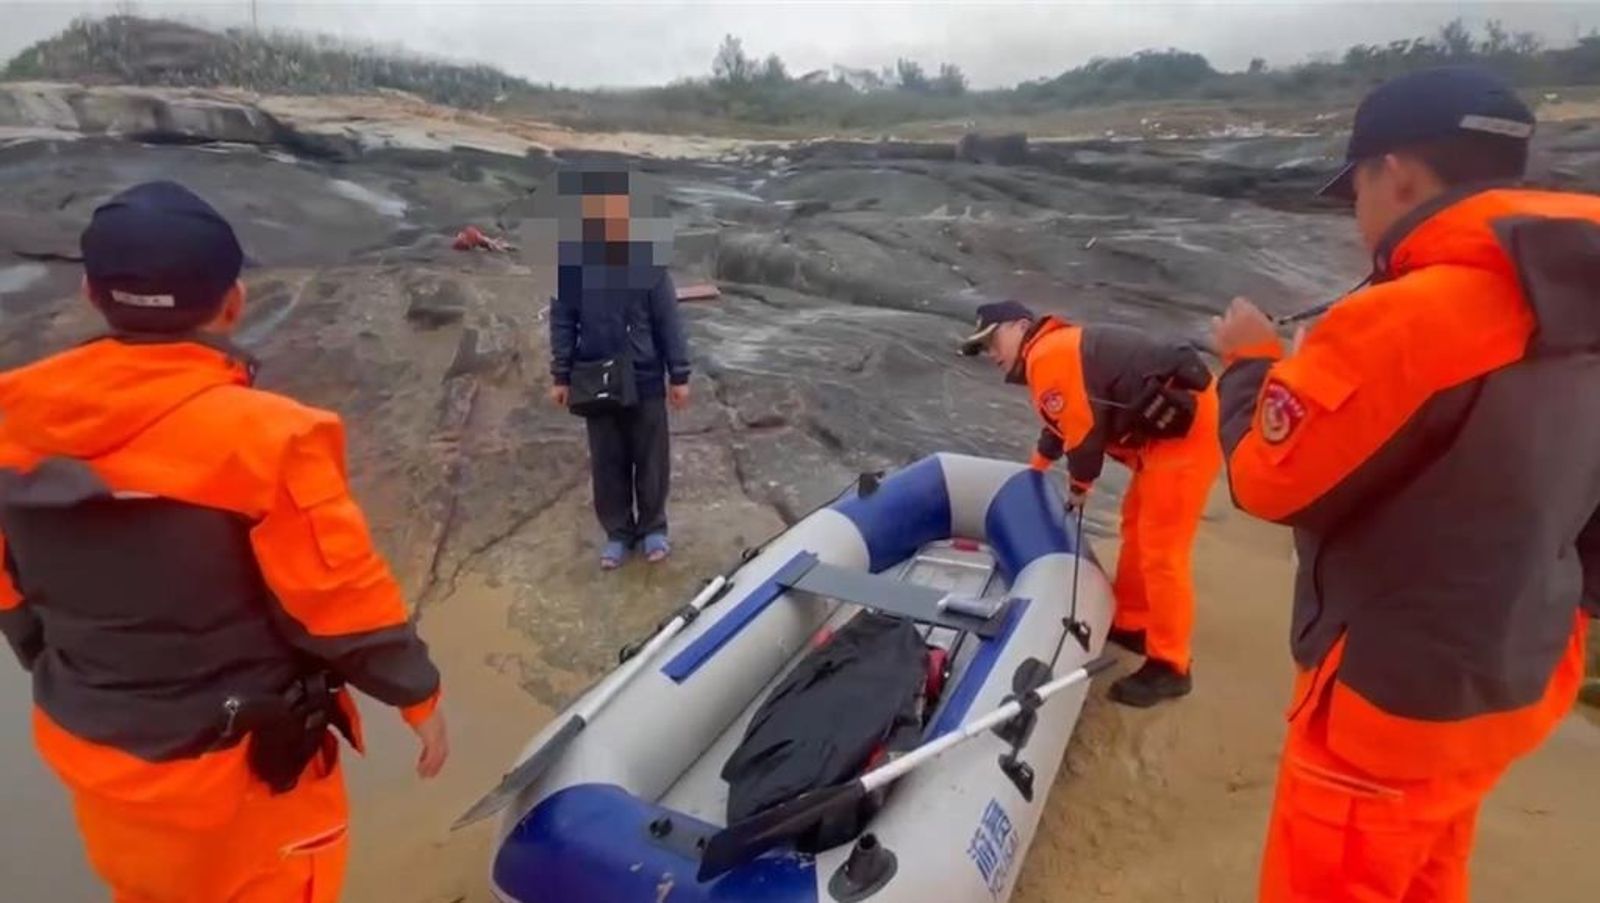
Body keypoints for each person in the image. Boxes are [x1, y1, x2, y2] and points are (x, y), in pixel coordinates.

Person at [1211, 66, 1600, 902]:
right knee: (1430, 870)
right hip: (1517, 679)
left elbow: (1267, 484)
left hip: (1385, 716)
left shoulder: (1405, 318)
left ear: (1394, 173)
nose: (1357, 216)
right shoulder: (1580, 291)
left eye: (1355, 191)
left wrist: (1249, 369)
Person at [0, 181, 449, 903]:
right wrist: (419, 696)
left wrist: (74, 669)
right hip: (243, 776)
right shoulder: (272, 438)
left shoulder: (10, 417)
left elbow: (13, 598)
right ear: (234, 300)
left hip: (94, 751)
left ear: (89, 293)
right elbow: (340, 598)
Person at [959, 300, 1221, 707]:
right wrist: (1036, 468)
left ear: (1020, 326)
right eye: (984, 348)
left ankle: (1171, 665)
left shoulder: (1048, 356)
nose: (992, 355)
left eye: (993, 341)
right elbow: (1062, 424)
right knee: (1135, 525)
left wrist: (1079, 487)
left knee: (1162, 552)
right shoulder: (1052, 352)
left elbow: (1083, 434)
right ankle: (1132, 621)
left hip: (1184, 436)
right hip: (1167, 434)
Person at [548, 170, 692, 570]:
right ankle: (618, 533)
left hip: (645, 376)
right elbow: (563, 322)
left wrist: (679, 375)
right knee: (607, 461)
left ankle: (653, 528)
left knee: (651, 458)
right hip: (595, 377)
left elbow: (668, 321)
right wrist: (561, 375)